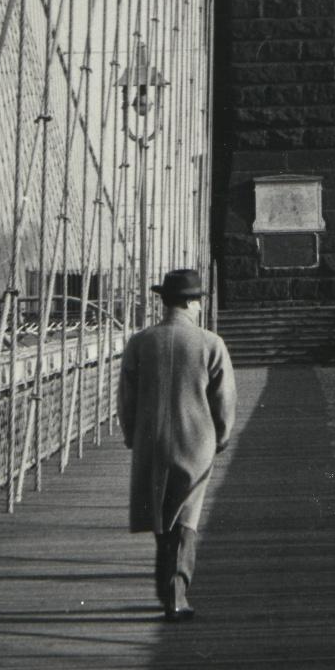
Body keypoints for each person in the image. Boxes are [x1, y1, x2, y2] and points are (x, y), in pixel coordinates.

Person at [116, 266, 235, 620]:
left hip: (150, 442)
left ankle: (168, 588)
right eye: (198, 301)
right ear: (192, 303)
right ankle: (176, 594)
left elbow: (126, 398)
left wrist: (131, 434)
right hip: (196, 440)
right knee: (186, 518)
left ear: (165, 303)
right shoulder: (211, 344)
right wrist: (222, 437)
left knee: (161, 516)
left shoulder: (139, 343)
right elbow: (224, 401)